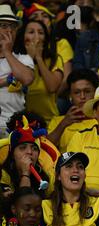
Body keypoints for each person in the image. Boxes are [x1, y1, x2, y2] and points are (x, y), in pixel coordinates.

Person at [13, 19, 63, 123]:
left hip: (49, 121)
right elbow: (14, 86)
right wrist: (30, 57)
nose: (36, 37)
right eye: (31, 32)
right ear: (23, 38)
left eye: (41, 33)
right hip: (22, 123)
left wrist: (39, 58)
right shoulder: (15, 60)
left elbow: (52, 87)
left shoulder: (54, 59)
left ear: (45, 38)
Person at [0, 4, 34, 137]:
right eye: (4, 26)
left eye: (12, 27)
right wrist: (7, 79)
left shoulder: (23, 58)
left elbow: (27, 78)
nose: (9, 30)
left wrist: (7, 52)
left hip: (14, 125)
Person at [47, 69, 99, 153]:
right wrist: (63, 124)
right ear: (70, 96)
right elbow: (46, 148)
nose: (82, 97)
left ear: (96, 93)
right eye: (77, 92)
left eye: (87, 91)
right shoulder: (58, 122)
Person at [1, 116, 54, 196]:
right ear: (12, 154)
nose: (29, 152)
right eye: (22, 148)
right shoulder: (2, 175)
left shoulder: (46, 177)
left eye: (34, 148)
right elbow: (23, 204)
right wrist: (25, 173)